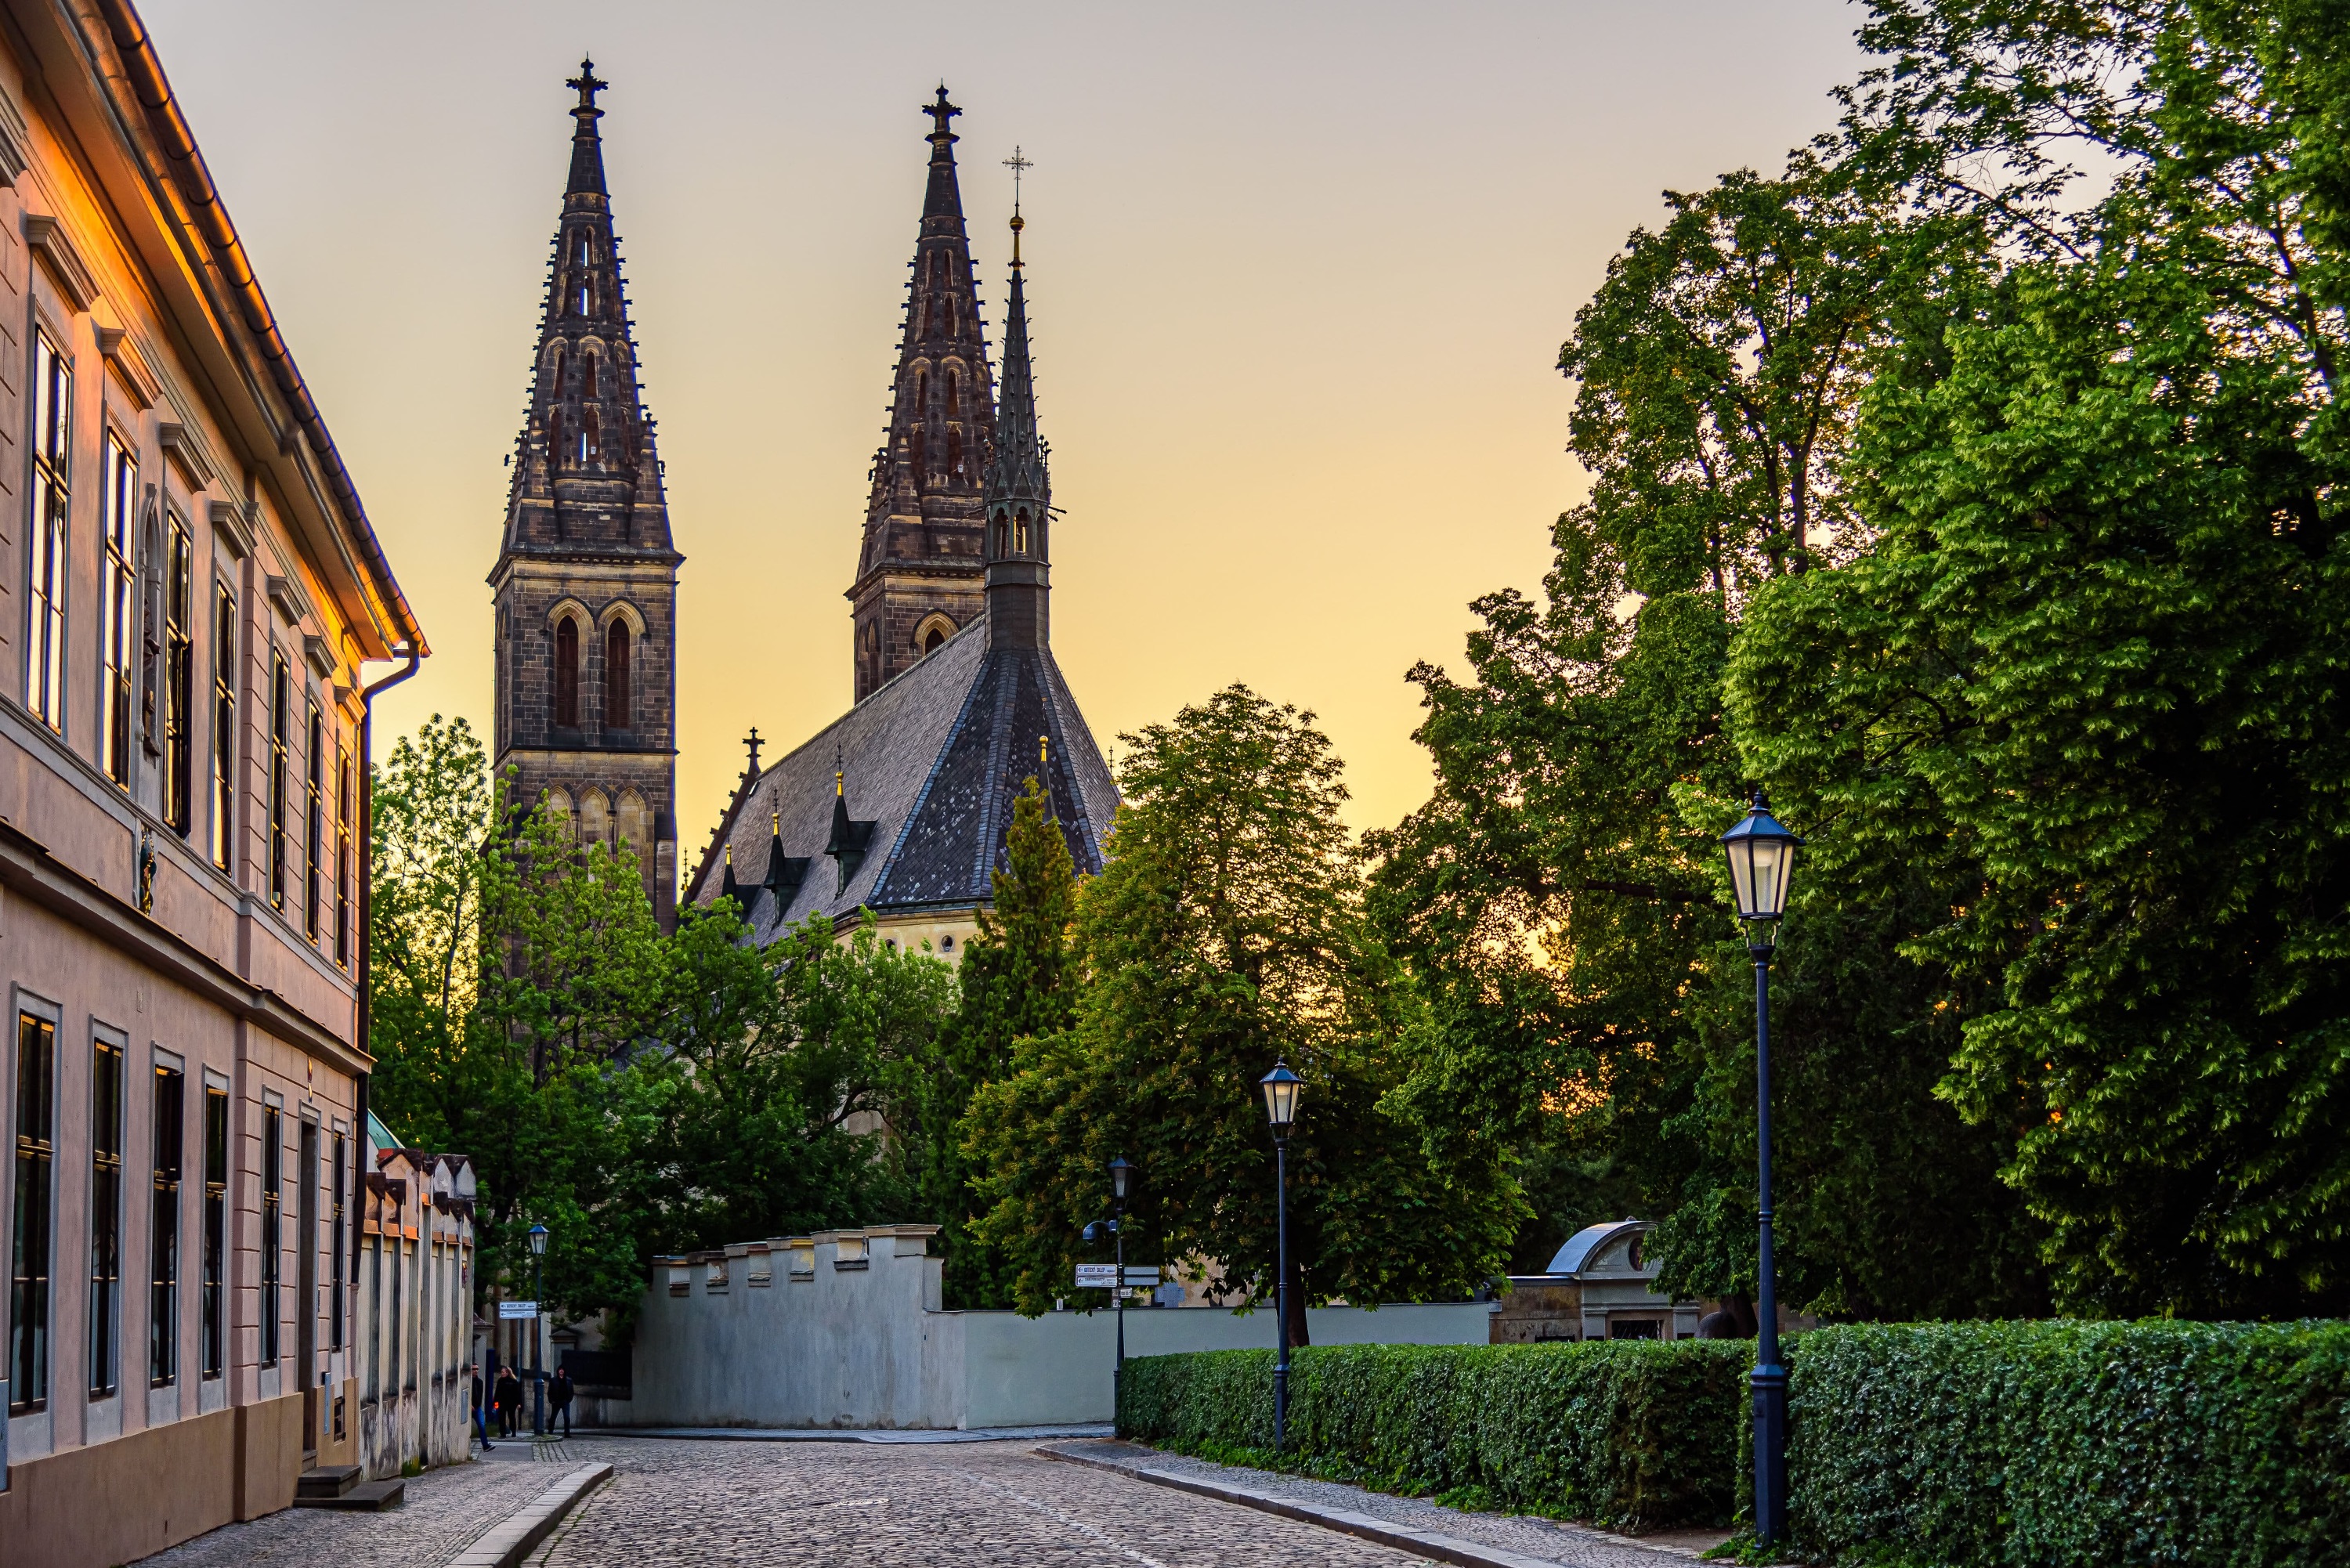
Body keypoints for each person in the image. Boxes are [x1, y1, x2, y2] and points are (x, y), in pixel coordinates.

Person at [495, 1364, 523, 1439]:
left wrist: (519, 1403)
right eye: (502, 1372)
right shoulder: (500, 1381)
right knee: (501, 1418)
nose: (503, 1373)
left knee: (512, 1417)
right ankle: (503, 1433)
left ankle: (513, 1432)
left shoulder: (514, 1381)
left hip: (512, 1402)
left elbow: (518, 1393)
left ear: (508, 1373)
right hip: (502, 1402)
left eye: (504, 1372)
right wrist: (495, 1402)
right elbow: (497, 1392)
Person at [471, 1364, 494, 1450]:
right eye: (474, 1369)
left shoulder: (480, 1382)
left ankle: (485, 1445)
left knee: (482, 1425)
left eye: (477, 1369)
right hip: (470, 1407)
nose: (476, 1371)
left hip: (477, 1407)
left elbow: (479, 1396)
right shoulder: (468, 1381)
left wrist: (477, 1406)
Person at [549, 1364, 575, 1438]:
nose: (561, 1371)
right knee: (553, 1417)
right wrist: (551, 1400)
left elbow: (572, 1391)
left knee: (567, 1417)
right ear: (558, 1371)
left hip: (565, 1401)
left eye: (562, 1370)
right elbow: (550, 1391)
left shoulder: (569, 1380)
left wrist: (569, 1399)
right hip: (556, 1401)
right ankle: (550, 1432)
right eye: (560, 1369)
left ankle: (567, 1433)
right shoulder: (553, 1380)